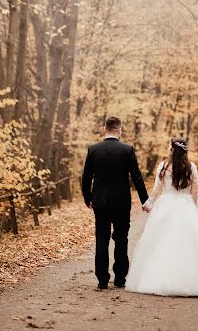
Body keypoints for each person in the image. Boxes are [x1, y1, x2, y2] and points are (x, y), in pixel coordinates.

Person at [125, 137, 198, 296]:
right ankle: (189, 281)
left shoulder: (163, 166)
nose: (168, 149)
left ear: (173, 150)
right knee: (186, 244)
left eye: (169, 147)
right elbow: (194, 192)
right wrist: (192, 209)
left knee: (161, 241)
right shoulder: (192, 167)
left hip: (165, 205)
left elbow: (157, 189)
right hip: (185, 205)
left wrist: (149, 204)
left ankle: (158, 278)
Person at [82, 116, 148, 290]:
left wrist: (87, 198)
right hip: (121, 202)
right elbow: (137, 177)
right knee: (121, 238)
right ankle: (120, 278)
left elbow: (86, 177)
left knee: (102, 238)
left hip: (100, 202)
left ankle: (102, 280)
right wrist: (145, 200)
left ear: (105, 129)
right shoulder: (127, 150)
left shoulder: (93, 150)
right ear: (119, 130)